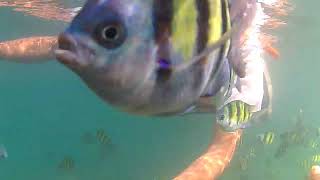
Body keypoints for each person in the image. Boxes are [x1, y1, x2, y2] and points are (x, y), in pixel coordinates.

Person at [0, 0, 289, 179]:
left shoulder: (244, 68)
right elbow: (61, 44)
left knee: (228, 131)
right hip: (182, 85)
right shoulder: (152, 24)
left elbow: (219, 152)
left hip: (228, 94)